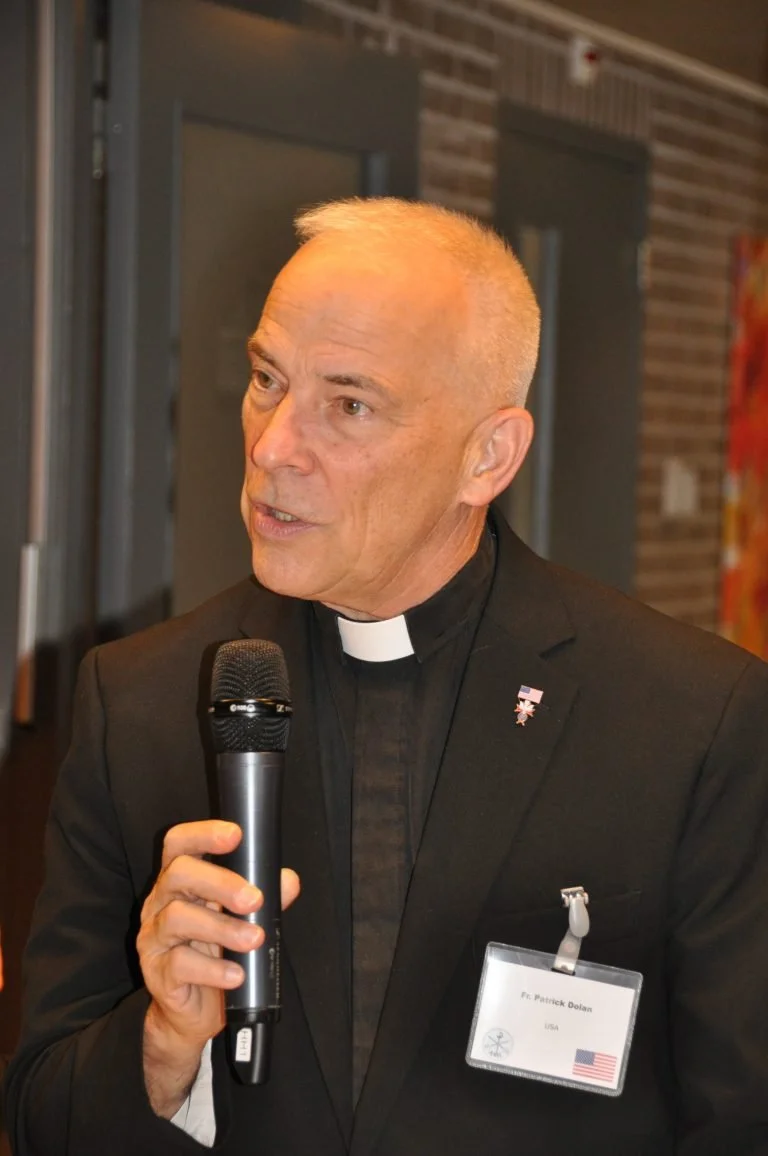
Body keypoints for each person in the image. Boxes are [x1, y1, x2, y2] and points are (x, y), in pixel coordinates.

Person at [4, 198, 768, 1156]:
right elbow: (41, 1116)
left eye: (350, 405)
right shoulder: (141, 702)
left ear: (487, 456)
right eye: (266, 380)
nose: (272, 447)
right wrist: (161, 1044)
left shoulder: (692, 720)